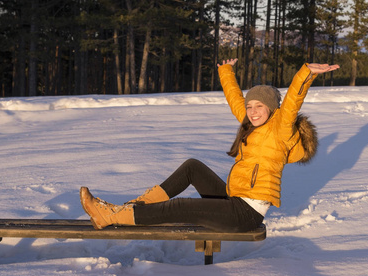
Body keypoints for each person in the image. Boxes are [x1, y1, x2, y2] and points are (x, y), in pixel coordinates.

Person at [80, 59, 339, 232]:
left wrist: (306, 73)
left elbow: (293, 101)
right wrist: (226, 72)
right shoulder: (251, 124)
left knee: (180, 207)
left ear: (272, 109)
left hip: (246, 214)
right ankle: (131, 208)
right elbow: (236, 100)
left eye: (259, 106)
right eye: (251, 106)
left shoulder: (280, 129)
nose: (253, 111)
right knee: (193, 167)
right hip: (235, 198)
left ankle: (112, 216)